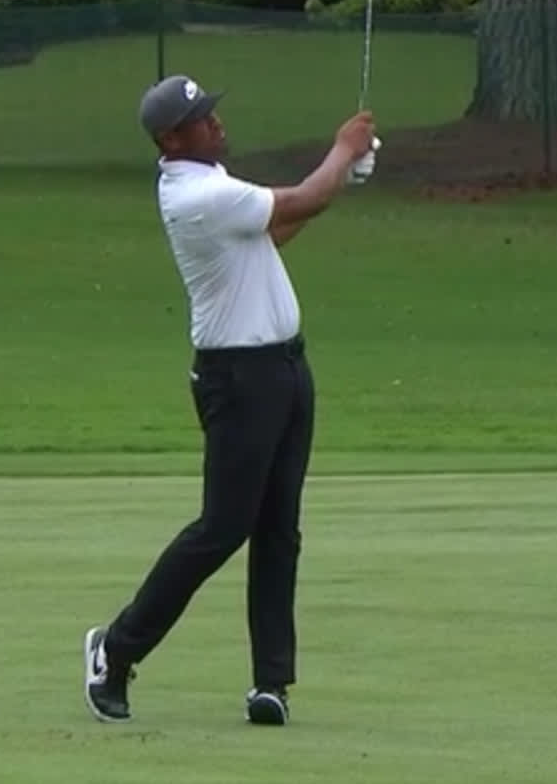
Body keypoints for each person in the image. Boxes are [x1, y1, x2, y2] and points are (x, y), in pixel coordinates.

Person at [83, 74, 377, 726]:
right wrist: (343, 150)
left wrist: (342, 178)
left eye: (213, 114)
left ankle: (271, 684)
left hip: (285, 369)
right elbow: (301, 196)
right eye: (201, 120)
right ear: (170, 139)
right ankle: (116, 649)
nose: (216, 125)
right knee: (223, 527)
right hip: (238, 380)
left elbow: (276, 231)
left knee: (279, 530)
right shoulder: (197, 194)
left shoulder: (217, 191)